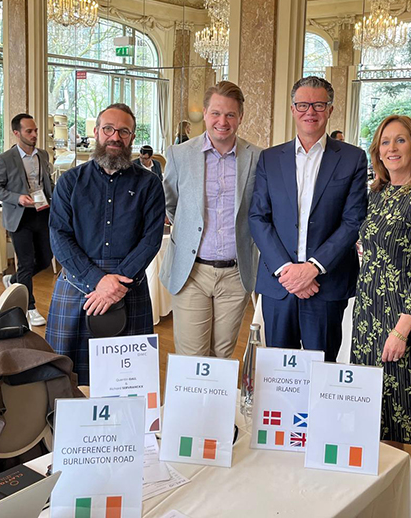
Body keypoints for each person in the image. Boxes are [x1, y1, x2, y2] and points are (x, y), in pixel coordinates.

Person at [249, 76, 367, 362]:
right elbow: (258, 217)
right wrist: (286, 270)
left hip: (326, 285)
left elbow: (353, 221)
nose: (309, 112)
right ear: (292, 109)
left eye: (318, 105)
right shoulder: (270, 158)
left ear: (330, 109)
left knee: (322, 372)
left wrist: (313, 268)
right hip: (280, 285)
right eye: (302, 105)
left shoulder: (353, 158)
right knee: (278, 373)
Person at [47, 103, 165, 385]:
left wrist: (116, 285)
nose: (115, 137)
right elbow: (59, 236)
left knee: (129, 380)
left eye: (124, 131)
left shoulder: (150, 184)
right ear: (97, 132)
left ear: (132, 138)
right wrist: (97, 282)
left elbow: (151, 240)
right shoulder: (70, 182)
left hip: (129, 285)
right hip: (78, 284)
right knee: (64, 378)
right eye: (109, 129)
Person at [350, 115, 411, 448]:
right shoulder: (377, 195)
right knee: (367, 411)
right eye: (386, 142)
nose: (392, 148)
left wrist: (402, 330)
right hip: (367, 314)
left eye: (400, 140)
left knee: (391, 420)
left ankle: (392, 494)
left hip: (399, 320)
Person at [161, 81, 262, 358]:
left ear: (240, 117)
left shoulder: (256, 158)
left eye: (230, 114)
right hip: (192, 272)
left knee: (222, 355)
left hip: (235, 273)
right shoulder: (179, 155)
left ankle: (218, 404)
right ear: (205, 113)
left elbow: (259, 211)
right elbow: (171, 204)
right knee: (191, 356)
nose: (222, 121)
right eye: (216, 113)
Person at [0, 114, 54, 326]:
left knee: (45, 259)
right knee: (25, 262)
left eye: (35, 130)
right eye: (29, 131)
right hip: (20, 216)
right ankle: (30, 307)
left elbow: (48, 182)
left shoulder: (43, 155)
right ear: (17, 133)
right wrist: (17, 198)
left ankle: (14, 280)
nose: (34, 135)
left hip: (43, 212)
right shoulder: (5, 159)